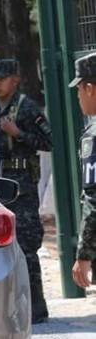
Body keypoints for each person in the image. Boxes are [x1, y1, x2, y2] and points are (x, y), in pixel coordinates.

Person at [0, 59, 53, 323]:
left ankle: (37, 309)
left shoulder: (27, 107)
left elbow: (48, 140)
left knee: (26, 246)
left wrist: (18, 132)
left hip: (22, 187)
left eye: (2, 78)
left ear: (15, 80)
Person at [71, 53, 96, 290]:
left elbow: (94, 200)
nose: (78, 97)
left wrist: (83, 254)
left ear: (89, 89)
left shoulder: (94, 136)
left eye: (78, 90)